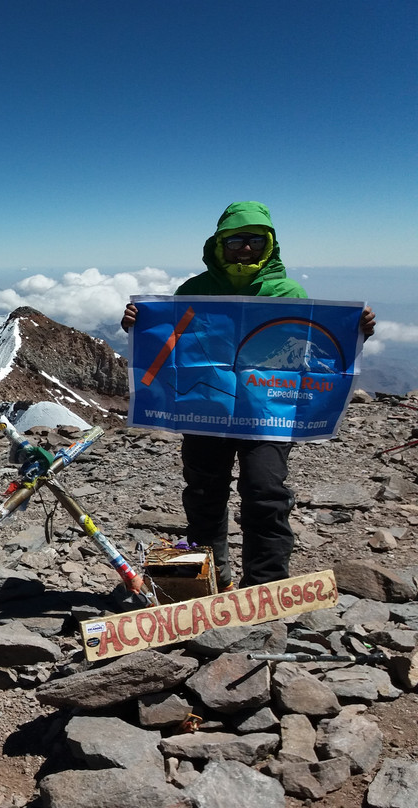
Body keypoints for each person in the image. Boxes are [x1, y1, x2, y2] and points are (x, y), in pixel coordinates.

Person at [121, 201, 377, 589]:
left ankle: (265, 585)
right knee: (204, 495)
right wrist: (139, 326)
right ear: (219, 243)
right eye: (236, 239)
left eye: (255, 240)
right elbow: (172, 347)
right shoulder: (193, 290)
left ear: (269, 244)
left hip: (267, 412)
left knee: (266, 493)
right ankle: (207, 580)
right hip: (207, 411)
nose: (245, 247)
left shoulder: (290, 292)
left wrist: (356, 331)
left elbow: (312, 351)